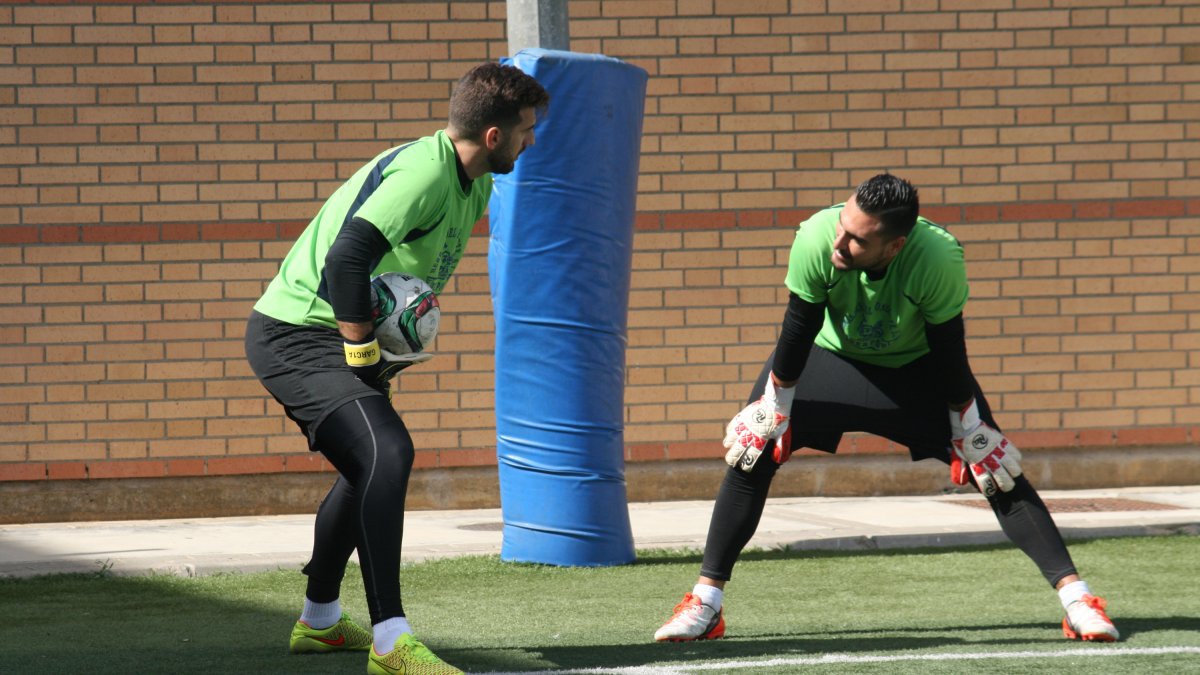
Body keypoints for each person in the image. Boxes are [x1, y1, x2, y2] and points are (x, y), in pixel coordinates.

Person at [653, 174, 1119, 644]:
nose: (841, 242)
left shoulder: (938, 257)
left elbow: (948, 348)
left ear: (894, 246)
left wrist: (967, 422)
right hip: (826, 358)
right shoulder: (817, 236)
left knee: (992, 467)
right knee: (751, 452)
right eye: (843, 226)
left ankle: (1077, 599)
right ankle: (706, 604)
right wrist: (776, 404)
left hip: (915, 370)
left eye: (858, 240)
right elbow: (797, 327)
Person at [245, 62, 549, 675]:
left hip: (339, 333)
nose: (531, 141)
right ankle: (391, 640)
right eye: (526, 130)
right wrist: (360, 352)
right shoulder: (424, 173)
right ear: (494, 136)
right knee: (389, 451)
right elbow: (347, 257)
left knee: (368, 465)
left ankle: (321, 622)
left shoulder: (475, 182)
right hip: (299, 332)